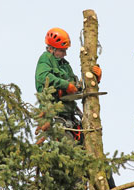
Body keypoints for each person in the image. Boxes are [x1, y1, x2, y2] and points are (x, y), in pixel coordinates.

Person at [35, 27, 116, 188]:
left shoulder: (65, 65)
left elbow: (77, 85)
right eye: (62, 50)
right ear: (52, 48)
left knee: (97, 157)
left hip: (73, 120)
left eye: (65, 50)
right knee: (74, 160)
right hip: (57, 121)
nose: (64, 54)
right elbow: (43, 77)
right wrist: (65, 85)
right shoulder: (45, 60)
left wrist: (94, 78)